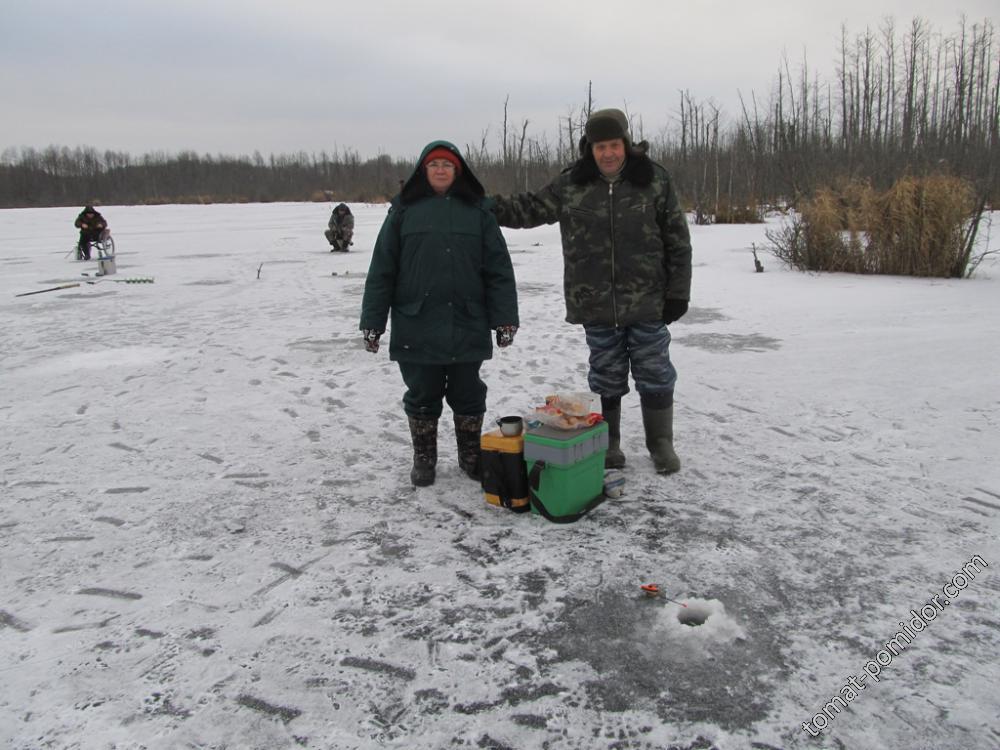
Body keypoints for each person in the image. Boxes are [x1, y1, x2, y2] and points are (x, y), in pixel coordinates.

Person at [491, 108, 692, 474]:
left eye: (615, 145)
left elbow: (678, 240)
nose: (609, 153)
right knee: (606, 374)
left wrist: (679, 293)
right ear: (590, 148)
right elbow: (531, 208)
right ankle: (610, 442)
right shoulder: (572, 183)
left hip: (648, 300)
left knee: (655, 371)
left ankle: (660, 442)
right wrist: (487, 207)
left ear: (626, 144)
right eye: (601, 147)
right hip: (595, 303)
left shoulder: (654, 180)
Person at [360, 141, 519, 487]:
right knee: (422, 392)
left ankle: (471, 456)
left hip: (467, 319)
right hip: (417, 322)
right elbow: (382, 270)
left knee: (468, 391)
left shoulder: (477, 212)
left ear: (458, 171)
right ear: (423, 170)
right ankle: (424, 458)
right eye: (434, 165)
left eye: (448, 164)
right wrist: (372, 322)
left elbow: (498, 270)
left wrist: (505, 318)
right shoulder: (403, 212)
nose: (441, 170)